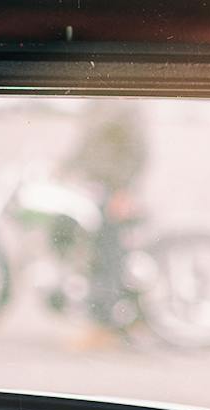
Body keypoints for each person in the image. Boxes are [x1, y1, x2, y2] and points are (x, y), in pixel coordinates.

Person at [64, 100, 149, 336]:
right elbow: (84, 149)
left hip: (114, 191)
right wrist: (60, 168)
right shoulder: (94, 106)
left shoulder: (122, 106)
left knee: (106, 254)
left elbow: (138, 150)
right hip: (95, 189)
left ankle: (106, 323)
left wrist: (124, 190)